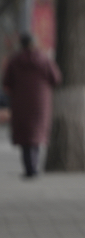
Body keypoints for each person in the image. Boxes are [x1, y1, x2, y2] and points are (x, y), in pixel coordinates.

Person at [2, 32, 61, 179]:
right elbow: (56, 78)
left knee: (24, 136)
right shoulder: (45, 59)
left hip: (20, 102)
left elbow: (6, 82)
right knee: (37, 134)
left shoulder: (14, 61)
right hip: (40, 102)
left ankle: (29, 168)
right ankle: (34, 166)